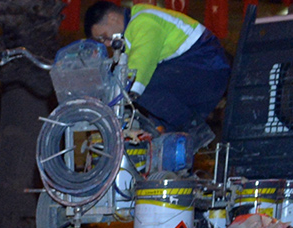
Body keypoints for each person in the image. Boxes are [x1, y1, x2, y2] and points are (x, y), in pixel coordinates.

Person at [83, 1, 232, 133]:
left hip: (207, 65)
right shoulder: (132, 32)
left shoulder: (143, 21)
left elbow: (140, 66)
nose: (107, 43)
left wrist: (118, 95)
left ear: (112, 18)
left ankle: (193, 128)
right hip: (198, 68)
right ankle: (173, 137)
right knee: (156, 113)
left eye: (103, 36)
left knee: (144, 87)